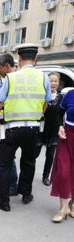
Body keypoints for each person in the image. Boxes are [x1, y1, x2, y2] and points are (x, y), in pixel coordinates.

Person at [0, 43, 52, 212]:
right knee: (29, 162)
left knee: (4, 164)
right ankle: (26, 194)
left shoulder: (11, 78)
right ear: (35, 59)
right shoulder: (43, 77)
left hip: (11, 129)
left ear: (19, 59)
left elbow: (1, 103)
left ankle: (4, 201)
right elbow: (47, 102)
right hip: (32, 129)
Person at [0, 53, 18, 193]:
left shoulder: (13, 79)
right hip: (6, 121)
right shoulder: (6, 78)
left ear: (7, 66)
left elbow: (2, 103)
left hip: (12, 124)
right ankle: (6, 181)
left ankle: (11, 186)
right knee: (5, 155)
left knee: (7, 157)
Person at [50, 89, 74, 223]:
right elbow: (59, 114)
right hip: (67, 136)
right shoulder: (70, 94)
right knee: (64, 172)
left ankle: (73, 204)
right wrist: (60, 126)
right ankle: (63, 208)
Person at [35, 72, 63, 186]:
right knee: (34, 154)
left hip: (54, 130)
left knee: (50, 155)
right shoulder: (42, 94)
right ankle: (28, 173)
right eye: (51, 81)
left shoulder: (61, 96)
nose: (53, 83)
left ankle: (45, 176)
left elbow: (62, 114)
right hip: (41, 128)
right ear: (47, 82)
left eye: (56, 81)